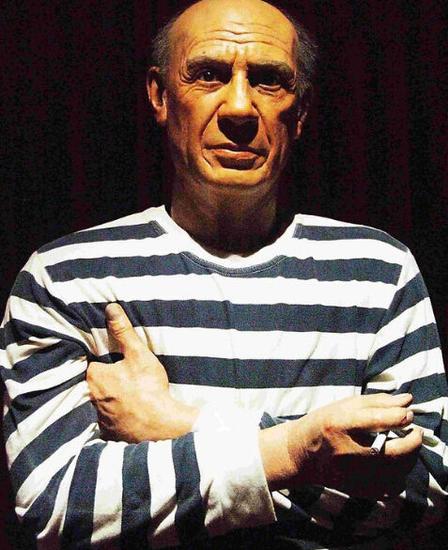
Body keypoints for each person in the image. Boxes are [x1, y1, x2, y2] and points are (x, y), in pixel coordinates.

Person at [1, 0, 447, 548]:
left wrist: (178, 424)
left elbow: (425, 489)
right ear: (160, 96)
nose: (239, 107)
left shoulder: (379, 271)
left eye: (268, 80)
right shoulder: (67, 278)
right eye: (209, 74)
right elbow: (57, 506)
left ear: (301, 112)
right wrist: (296, 450)